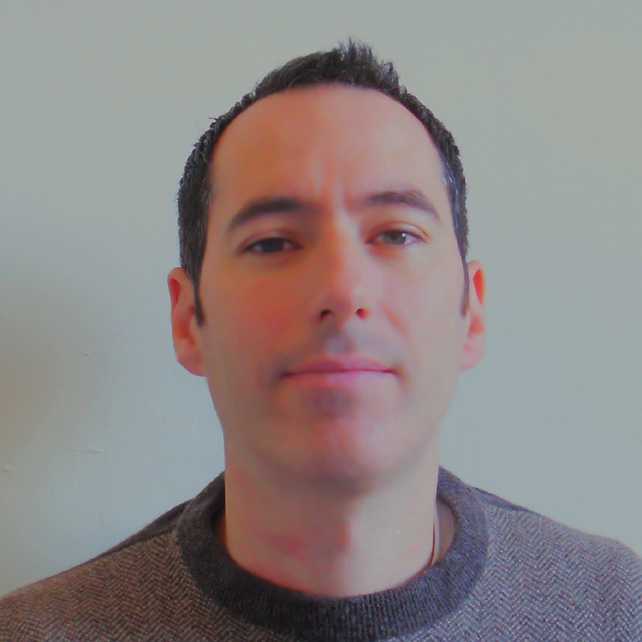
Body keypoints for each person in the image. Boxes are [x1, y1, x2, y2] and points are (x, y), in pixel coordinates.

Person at [1, 37, 640, 642]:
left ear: (471, 312)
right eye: (273, 242)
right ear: (188, 318)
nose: (342, 289)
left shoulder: (617, 611)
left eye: (396, 234)